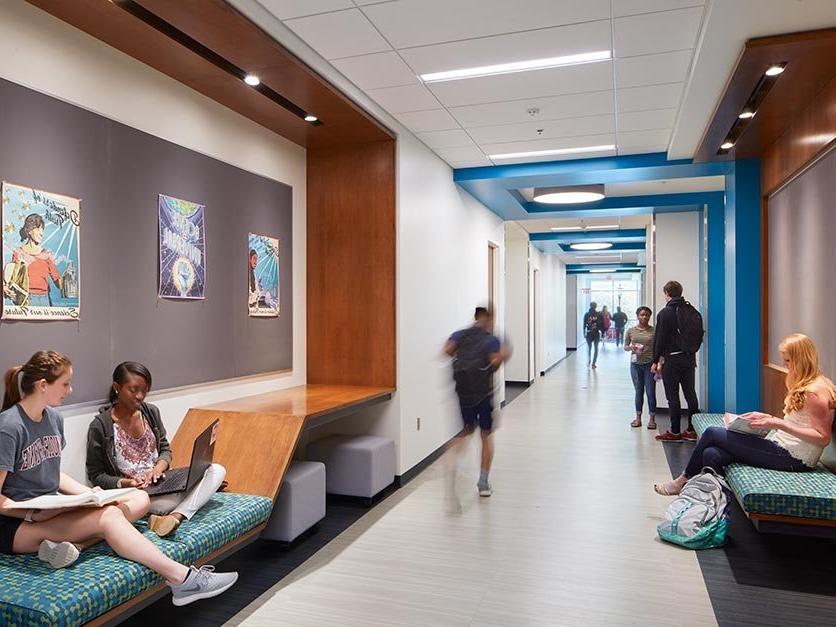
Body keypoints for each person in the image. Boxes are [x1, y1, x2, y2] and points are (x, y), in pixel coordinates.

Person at [0, 351, 236, 606]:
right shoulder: (10, 427)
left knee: (139, 499)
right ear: (43, 385)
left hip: (49, 508)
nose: (70, 390)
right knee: (111, 516)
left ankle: (76, 544)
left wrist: (91, 495)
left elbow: (52, 472)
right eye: (65, 384)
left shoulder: (54, 418)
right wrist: (33, 515)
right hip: (16, 525)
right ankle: (183, 579)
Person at [655, 334, 836, 495]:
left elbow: (822, 437)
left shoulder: (815, 393)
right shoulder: (809, 384)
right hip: (783, 447)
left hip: (794, 458)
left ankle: (682, 481)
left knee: (711, 433)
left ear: (801, 360)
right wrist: (767, 418)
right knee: (712, 454)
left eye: (788, 361)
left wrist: (777, 423)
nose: (785, 365)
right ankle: (713, 506)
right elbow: (801, 423)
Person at [87, 362, 226, 538]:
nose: (140, 396)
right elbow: (96, 475)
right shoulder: (101, 426)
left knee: (217, 470)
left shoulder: (150, 412)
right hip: (136, 493)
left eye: (145, 390)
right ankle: (176, 509)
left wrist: (158, 468)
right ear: (117, 387)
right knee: (164, 504)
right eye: (133, 390)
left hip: (161, 482)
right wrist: (127, 482)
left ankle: (175, 516)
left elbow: (165, 450)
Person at [444, 307, 509, 497]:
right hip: (484, 394)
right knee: (486, 436)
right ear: (489, 320)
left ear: (475, 318)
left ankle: (451, 460)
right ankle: (483, 483)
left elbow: (447, 350)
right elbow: (495, 362)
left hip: (464, 393)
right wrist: (502, 355)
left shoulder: (460, 334)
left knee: (466, 430)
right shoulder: (491, 339)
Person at [652, 281, 700, 442]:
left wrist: (655, 360)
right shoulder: (691, 310)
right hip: (689, 358)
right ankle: (693, 430)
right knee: (690, 394)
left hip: (672, 359)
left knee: (672, 396)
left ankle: (674, 431)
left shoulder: (665, 313)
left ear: (666, 292)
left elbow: (660, 339)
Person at [4, 214, 62, 307]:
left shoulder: (47, 254)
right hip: (26, 299)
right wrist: (5, 288)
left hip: (45, 300)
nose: (42, 233)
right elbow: (12, 279)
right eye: (39, 229)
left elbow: (58, 282)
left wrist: (67, 280)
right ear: (30, 230)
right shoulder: (18, 253)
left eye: (42, 230)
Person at [624, 306, 656, 430]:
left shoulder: (654, 331)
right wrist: (631, 348)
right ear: (637, 316)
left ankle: (652, 419)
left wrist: (658, 363)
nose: (644, 317)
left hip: (649, 364)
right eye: (642, 315)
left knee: (650, 392)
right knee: (638, 391)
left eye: (647, 315)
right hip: (635, 364)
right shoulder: (631, 331)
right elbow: (625, 346)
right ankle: (638, 418)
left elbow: (658, 347)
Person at [583, 302, 604, 368]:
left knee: (589, 348)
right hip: (596, 333)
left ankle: (589, 360)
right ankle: (593, 363)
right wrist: (602, 332)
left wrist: (584, 332)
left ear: (590, 306)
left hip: (589, 333)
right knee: (596, 348)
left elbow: (584, 324)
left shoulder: (587, 314)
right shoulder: (599, 314)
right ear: (596, 306)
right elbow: (602, 324)